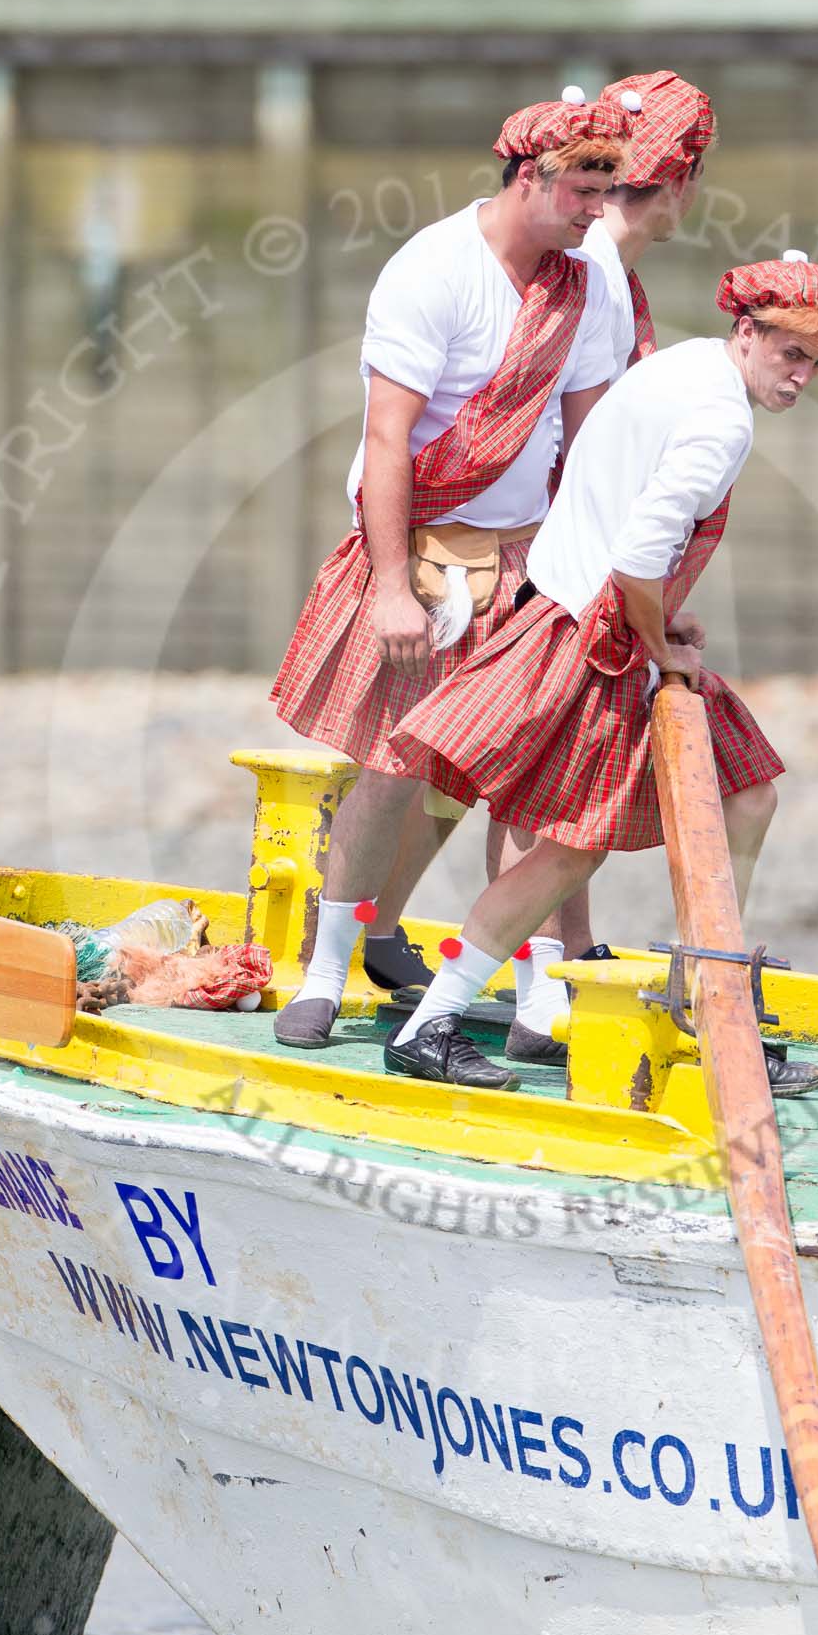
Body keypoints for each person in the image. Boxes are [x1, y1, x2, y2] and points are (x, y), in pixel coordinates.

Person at [385, 251, 818, 1092]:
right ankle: (434, 1026)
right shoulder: (721, 423)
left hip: (579, 612)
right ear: (746, 331)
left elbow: (610, 504)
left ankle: (706, 1000)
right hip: (591, 636)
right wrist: (658, 641)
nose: (802, 378)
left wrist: (656, 617)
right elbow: (641, 557)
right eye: (791, 354)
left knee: (745, 793)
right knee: (571, 852)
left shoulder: (681, 366)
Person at [268, 88, 631, 1050]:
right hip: (424, 542)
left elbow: (591, 438)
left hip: (526, 553)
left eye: (608, 190)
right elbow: (387, 441)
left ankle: (537, 1001)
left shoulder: (584, 284)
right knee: (386, 772)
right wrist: (391, 587)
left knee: (524, 780)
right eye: (585, 190)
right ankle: (324, 974)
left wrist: (600, 577)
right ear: (528, 177)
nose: (599, 211)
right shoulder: (432, 269)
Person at [493, 70, 718, 1037]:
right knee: (537, 774)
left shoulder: (588, 269)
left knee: (540, 773)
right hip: (543, 556)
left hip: (546, 549)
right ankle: (542, 985)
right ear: (676, 180)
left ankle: (558, 966)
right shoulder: (593, 279)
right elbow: (562, 438)